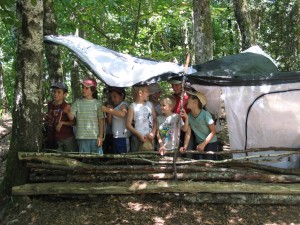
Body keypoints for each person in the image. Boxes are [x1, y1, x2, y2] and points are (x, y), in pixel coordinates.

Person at [68, 78, 105, 154]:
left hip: (95, 136)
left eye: (86, 88)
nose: (83, 90)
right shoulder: (77, 102)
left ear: (93, 90)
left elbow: (101, 120)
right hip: (82, 136)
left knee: (97, 159)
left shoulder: (98, 104)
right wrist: (67, 110)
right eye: (82, 87)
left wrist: (100, 136)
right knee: (85, 160)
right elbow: (71, 117)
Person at [180, 91, 218, 160]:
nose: (187, 99)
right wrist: (185, 146)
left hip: (210, 143)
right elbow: (187, 132)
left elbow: (213, 131)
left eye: (190, 98)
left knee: (209, 163)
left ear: (195, 102)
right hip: (199, 144)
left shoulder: (205, 115)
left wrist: (203, 144)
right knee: (201, 163)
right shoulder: (189, 116)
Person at [45, 82, 78, 152]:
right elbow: (50, 118)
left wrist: (62, 123)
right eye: (54, 92)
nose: (55, 94)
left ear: (65, 94)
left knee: (71, 158)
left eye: (59, 92)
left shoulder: (67, 106)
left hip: (67, 138)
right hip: (53, 139)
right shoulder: (50, 104)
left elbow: (74, 122)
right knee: (56, 159)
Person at [126, 84, 157, 152]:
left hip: (150, 137)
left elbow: (155, 119)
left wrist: (153, 132)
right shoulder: (132, 106)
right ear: (140, 93)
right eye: (147, 91)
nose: (149, 93)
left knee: (150, 158)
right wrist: (139, 135)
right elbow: (128, 125)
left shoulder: (150, 104)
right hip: (137, 138)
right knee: (137, 159)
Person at [101, 87, 131, 154]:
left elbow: (123, 114)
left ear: (122, 95)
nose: (113, 99)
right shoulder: (115, 107)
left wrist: (108, 110)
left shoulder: (124, 104)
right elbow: (110, 123)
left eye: (115, 96)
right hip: (115, 137)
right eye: (112, 97)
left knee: (123, 156)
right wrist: (109, 112)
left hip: (123, 137)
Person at [168, 78, 193, 149]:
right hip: (175, 129)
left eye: (176, 85)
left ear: (183, 84)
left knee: (188, 150)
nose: (174, 87)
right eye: (172, 85)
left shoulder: (190, 97)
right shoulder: (172, 98)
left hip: (188, 129)